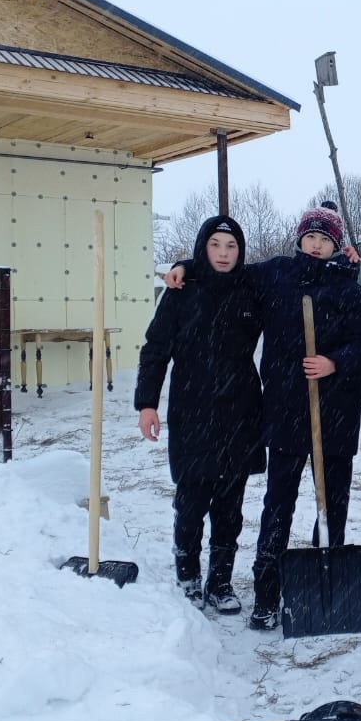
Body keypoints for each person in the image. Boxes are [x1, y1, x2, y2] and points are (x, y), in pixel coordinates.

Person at [165, 205, 361, 630]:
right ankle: (267, 591)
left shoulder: (350, 290)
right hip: (286, 411)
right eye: (311, 236)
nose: (316, 245)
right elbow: (226, 267)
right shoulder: (276, 274)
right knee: (278, 505)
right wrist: (186, 265)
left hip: (336, 414)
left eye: (325, 239)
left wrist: (334, 361)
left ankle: (324, 577)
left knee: (333, 503)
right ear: (299, 238)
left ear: (335, 245)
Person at [134, 215, 265, 614]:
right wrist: (147, 403)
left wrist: (345, 262)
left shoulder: (252, 289)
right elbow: (155, 349)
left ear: (241, 252)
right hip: (192, 408)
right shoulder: (181, 291)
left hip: (240, 410)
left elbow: (294, 274)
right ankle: (188, 574)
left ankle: (220, 581)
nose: (223, 254)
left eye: (231, 246)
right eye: (215, 245)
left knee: (230, 506)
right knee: (191, 501)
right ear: (202, 248)